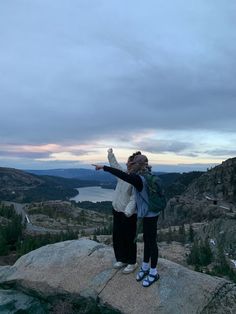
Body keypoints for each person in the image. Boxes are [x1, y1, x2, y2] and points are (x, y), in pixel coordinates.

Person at [92, 154, 160, 287]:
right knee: (147, 241)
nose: (129, 165)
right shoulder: (143, 175)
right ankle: (145, 267)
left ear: (137, 165)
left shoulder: (138, 178)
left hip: (150, 214)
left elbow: (124, 178)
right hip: (145, 214)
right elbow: (122, 173)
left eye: (133, 163)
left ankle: (153, 272)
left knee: (151, 243)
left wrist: (104, 167)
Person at [107, 148, 140, 274]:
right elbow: (115, 166)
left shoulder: (135, 179)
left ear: (134, 164)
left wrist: (128, 212)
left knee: (129, 238)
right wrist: (110, 155)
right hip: (117, 210)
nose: (126, 163)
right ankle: (121, 259)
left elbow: (134, 198)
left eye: (129, 162)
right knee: (118, 236)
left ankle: (132, 262)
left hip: (128, 214)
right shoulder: (124, 174)